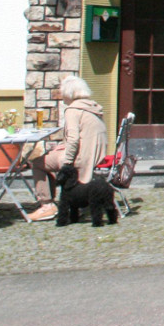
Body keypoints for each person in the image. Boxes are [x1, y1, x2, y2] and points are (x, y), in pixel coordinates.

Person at [26, 76, 109, 222]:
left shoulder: (73, 110)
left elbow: (73, 139)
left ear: (68, 93)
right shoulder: (92, 107)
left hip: (81, 158)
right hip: (95, 156)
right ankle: (64, 203)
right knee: (52, 155)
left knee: (37, 162)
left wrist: (67, 162)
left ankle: (47, 205)